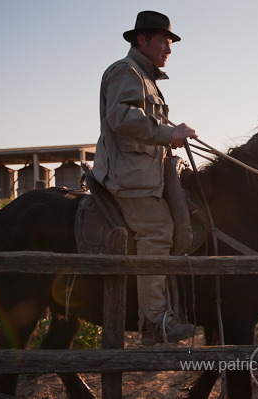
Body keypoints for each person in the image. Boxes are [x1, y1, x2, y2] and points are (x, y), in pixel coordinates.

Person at [92, 11, 197, 345]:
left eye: (170, 43)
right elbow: (121, 117)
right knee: (158, 231)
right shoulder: (126, 71)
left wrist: (173, 136)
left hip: (146, 175)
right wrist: (170, 133)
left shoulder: (145, 76)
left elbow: (145, 123)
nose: (169, 49)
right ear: (142, 40)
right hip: (129, 177)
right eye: (164, 41)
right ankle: (155, 324)